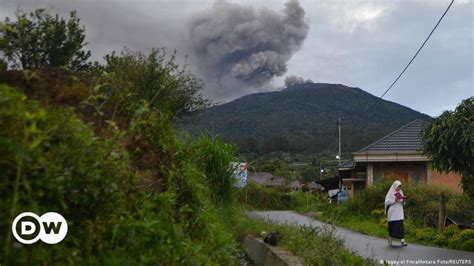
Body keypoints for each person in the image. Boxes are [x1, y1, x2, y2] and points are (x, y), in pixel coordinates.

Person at [385, 180, 407, 246]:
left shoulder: (401, 192)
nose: (399, 188)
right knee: (392, 227)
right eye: (398, 187)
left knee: (400, 226)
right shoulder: (390, 193)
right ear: (395, 186)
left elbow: (403, 203)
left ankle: (402, 240)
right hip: (392, 213)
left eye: (400, 187)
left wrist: (403, 200)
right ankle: (390, 238)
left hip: (399, 212)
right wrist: (394, 200)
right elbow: (386, 202)